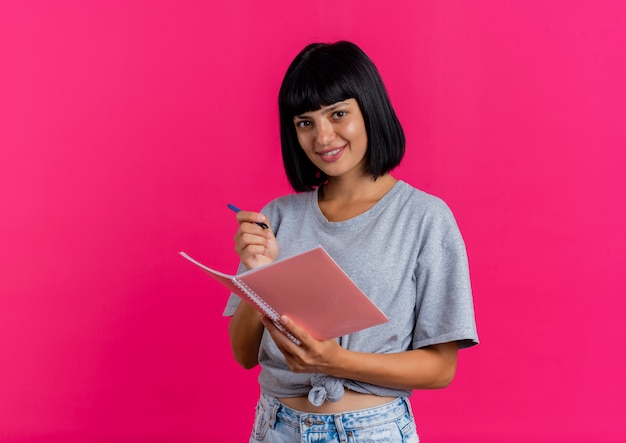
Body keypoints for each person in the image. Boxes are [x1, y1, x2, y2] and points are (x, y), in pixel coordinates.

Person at [223, 41, 478, 442]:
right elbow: (242, 354)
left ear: (369, 110)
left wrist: (336, 360)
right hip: (276, 426)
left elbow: (441, 368)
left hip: (370, 431)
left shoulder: (424, 217)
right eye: (304, 122)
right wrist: (260, 274)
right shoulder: (278, 217)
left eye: (338, 114)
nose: (323, 136)